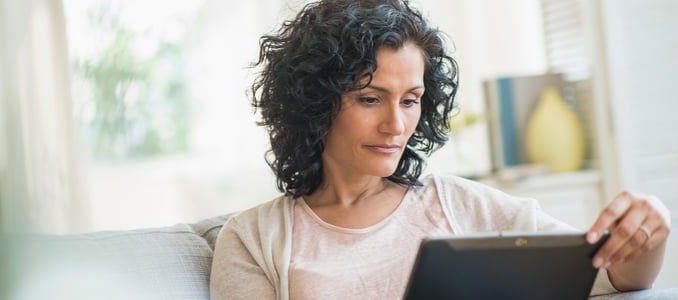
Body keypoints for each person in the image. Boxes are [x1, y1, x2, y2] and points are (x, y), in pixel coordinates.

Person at [210, 0, 671, 299]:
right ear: (314, 102)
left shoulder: (461, 203)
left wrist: (649, 231)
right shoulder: (253, 238)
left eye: (410, 100)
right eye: (369, 99)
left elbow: (614, 277)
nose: (396, 125)